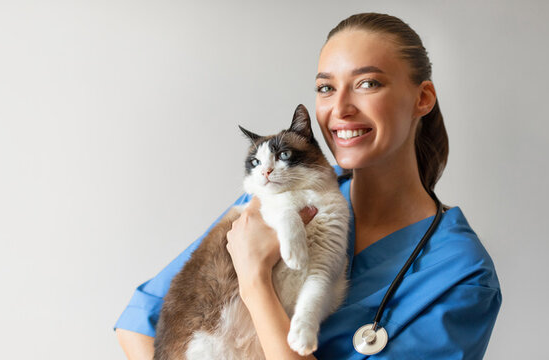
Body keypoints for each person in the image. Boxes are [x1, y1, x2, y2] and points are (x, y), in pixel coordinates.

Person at [114, 12, 501, 359]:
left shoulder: (460, 275)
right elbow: (139, 325)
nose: (341, 108)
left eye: (368, 83)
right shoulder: (276, 194)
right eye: (326, 88)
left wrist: (254, 282)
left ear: (423, 98)